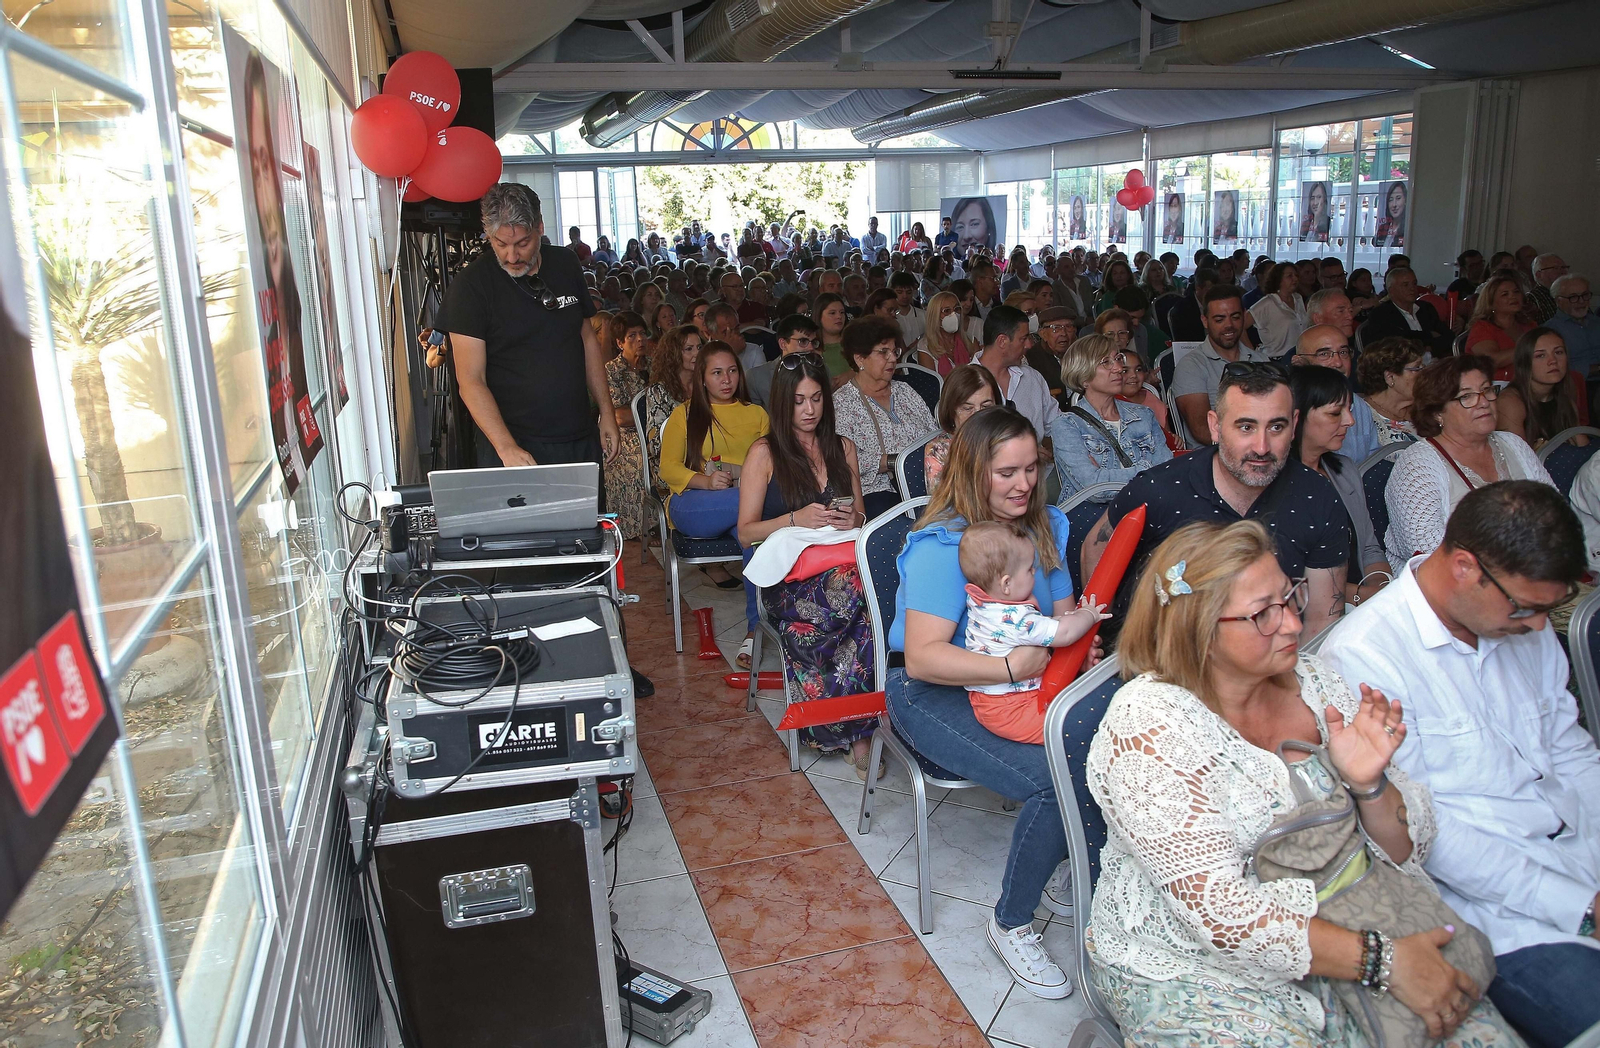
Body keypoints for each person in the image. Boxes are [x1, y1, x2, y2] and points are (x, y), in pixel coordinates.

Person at [1090, 518, 1522, 1047]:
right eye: (1262, 614)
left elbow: (1406, 848)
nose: (1293, 624)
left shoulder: (1316, 683)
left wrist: (1369, 787)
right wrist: (1385, 961)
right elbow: (1222, 917)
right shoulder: (1149, 726)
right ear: (1197, 630)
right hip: (1196, 966)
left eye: (1288, 597)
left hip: (1351, 918)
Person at [1322, 481, 1600, 1048]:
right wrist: (1582, 908)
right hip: (1500, 912)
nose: (1540, 627)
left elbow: (1570, 750)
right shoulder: (1365, 656)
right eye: (1524, 607)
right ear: (1466, 567)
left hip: (1582, 855)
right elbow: (1432, 835)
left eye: (1547, 609)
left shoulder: (1522, 622)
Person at [888, 407, 1086, 998]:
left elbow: (1058, 615)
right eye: (1006, 472)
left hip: (1021, 680)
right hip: (932, 692)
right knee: (1055, 777)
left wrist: (1076, 645)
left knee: (1103, 740)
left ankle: (1056, 857)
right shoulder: (942, 546)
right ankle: (1013, 923)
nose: (1023, 484)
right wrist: (1008, 666)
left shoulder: (1045, 524)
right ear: (974, 472)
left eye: (1031, 468)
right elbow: (924, 658)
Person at [1082, 362, 1351, 640]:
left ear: (1294, 425)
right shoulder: (1159, 489)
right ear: (1215, 426)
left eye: (1276, 427)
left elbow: (1322, 619)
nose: (1261, 447)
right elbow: (1095, 550)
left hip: (1270, 663)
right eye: (1246, 427)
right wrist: (1105, 644)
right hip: (1165, 663)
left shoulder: (1317, 496)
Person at [736, 353, 878, 773]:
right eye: (799, 401)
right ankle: (857, 732)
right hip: (790, 581)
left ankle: (861, 732)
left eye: (817, 399)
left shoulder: (842, 447)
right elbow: (745, 533)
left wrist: (852, 518)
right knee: (862, 595)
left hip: (841, 568)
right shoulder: (764, 453)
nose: (810, 410)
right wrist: (794, 519)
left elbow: (863, 518)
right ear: (783, 403)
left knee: (865, 600)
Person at [439, 184, 621, 477]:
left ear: (539, 227)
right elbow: (471, 380)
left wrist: (606, 411)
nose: (511, 256)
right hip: (513, 443)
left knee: (584, 523)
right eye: (500, 244)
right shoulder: (470, 286)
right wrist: (505, 446)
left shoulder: (565, 263)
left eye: (522, 243)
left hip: (577, 436)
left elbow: (587, 339)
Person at [1382, 355, 1553, 573]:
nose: (1483, 402)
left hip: (1535, 571)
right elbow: (1427, 554)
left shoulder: (1513, 444)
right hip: (1455, 589)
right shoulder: (1417, 464)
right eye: (1466, 396)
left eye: (1487, 390)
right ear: (1437, 412)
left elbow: (1555, 509)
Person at [958, 521, 1108, 744]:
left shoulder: (984, 603)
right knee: (1069, 730)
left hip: (995, 700)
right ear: (1006, 584)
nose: (1035, 573)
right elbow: (1064, 633)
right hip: (1011, 708)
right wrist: (1088, 614)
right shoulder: (1015, 619)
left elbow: (1045, 627)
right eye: (1029, 569)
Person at [659, 342, 770, 618]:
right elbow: (668, 468)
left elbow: (771, 466)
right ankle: (794, 515)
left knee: (755, 542)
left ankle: (754, 631)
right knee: (766, 503)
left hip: (743, 504)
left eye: (732, 371)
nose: (726, 379)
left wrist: (739, 476)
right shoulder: (684, 414)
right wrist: (706, 482)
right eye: (717, 373)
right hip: (695, 503)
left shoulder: (756, 414)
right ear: (703, 379)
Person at [1293, 365, 1392, 606]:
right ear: (1298, 416)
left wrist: (1382, 587)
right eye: (1335, 413)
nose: (1350, 421)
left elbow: (1369, 547)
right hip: (1307, 609)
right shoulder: (1273, 483)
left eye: (1349, 410)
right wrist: (1359, 595)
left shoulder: (1345, 470)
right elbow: (1288, 575)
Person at [832, 316, 938, 519]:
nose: (892, 358)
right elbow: (841, 459)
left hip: (926, 482)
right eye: (883, 352)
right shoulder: (842, 402)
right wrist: (893, 461)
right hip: (878, 492)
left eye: (894, 351)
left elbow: (934, 434)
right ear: (859, 359)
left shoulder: (905, 390)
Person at [1050, 333, 1172, 503]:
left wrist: (1106, 476)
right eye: (1106, 362)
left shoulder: (1143, 415)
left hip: (1146, 511)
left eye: (1118, 359)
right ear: (1084, 377)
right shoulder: (1067, 425)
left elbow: (1167, 473)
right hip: (1096, 522)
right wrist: (1147, 470)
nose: (1118, 368)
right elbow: (1093, 490)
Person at [1171, 284, 1274, 447]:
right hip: (1211, 457)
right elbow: (1202, 430)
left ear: (1244, 316)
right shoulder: (1191, 366)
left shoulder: (1261, 360)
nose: (1229, 325)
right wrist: (1249, 444)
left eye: (1235, 317)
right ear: (1205, 321)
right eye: (1219, 319)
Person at [1290, 325, 1381, 465]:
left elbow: (1373, 463)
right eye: (1324, 354)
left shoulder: (1360, 406)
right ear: (1298, 362)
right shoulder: (1285, 407)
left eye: (1343, 352)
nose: (1338, 363)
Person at [976, 305, 1061, 442]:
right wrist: (1026, 451)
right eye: (1023, 339)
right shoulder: (965, 383)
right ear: (1002, 341)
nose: (1029, 345)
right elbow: (965, 442)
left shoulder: (1032, 377)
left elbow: (1057, 424)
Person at [1496, 326, 1588, 448]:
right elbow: (1518, 460)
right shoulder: (1509, 402)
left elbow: (1581, 442)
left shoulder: (1567, 392)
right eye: (1540, 355)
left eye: (1558, 352)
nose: (1553, 361)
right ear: (1524, 363)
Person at [603, 311, 652, 540]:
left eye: (642, 333)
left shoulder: (654, 366)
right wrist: (654, 411)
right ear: (619, 342)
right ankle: (639, 528)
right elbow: (619, 416)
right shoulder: (611, 371)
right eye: (632, 335)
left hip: (653, 431)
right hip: (622, 436)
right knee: (642, 459)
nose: (640, 339)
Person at [923, 364, 1003, 494]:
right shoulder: (939, 451)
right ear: (951, 410)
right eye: (967, 408)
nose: (977, 415)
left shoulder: (1006, 440)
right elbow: (943, 509)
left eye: (986, 406)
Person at [642, 324, 702, 481]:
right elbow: (655, 446)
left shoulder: (707, 385)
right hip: (673, 467)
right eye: (689, 349)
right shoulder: (659, 391)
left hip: (706, 459)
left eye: (699, 347)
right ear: (674, 354)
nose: (697, 353)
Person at [1358, 265, 1454, 359]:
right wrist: (1429, 335)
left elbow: (1448, 337)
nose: (1412, 288)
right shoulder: (1381, 313)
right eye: (1405, 285)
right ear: (1391, 290)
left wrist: (1430, 348)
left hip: (1433, 363)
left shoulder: (1426, 308)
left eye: (1414, 283)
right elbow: (1393, 344)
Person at [1356, 336, 1428, 447]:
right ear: (1390, 377)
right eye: (1417, 368)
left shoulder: (1427, 408)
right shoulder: (1360, 418)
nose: (1424, 374)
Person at [746, 313, 820, 409]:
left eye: (813, 342)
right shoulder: (757, 377)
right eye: (803, 341)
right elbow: (755, 420)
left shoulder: (821, 369)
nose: (810, 347)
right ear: (783, 344)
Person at [1465, 274, 1530, 381]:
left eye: (1516, 292)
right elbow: (1491, 361)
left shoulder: (1528, 324)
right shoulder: (1482, 328)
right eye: (1505, 294)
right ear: (1491, 302)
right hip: (1494, 386)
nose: (1513, 296)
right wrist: (1529, 348)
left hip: (1526, 383)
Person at [1250, 261, 1310, 359]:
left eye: (1296, 275)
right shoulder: (1268, 302)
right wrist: (1251, 350)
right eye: (1289, 276)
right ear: (1278, 279)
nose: (1295, 279)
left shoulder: (1298, 299)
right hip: (1275, 359)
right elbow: (1241, 325)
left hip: (1298, 357)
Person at [1547, 274, 1600, 381]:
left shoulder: (1597, 322)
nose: (1581, 301)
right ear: (1558, 301)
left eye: (1585, 295)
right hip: (1577, 386)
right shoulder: (1550, 331)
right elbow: (1554, 368)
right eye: (1573, 297)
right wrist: (1596, 369)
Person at [911, 290, 975, 377]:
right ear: (935, 315)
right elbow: (931, 384)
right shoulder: (926, 346)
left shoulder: (969, 340)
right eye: (947, 311)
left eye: (956, 309)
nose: (954, 314)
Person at [1026, 307, 1076, 406]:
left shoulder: (1082, 354)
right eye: (1056, 328)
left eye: (1068, 327)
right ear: (1042, 334)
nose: (1063, 333)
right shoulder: (1030, 359)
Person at [813, 291, 850, 380]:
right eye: (832, 313)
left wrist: (853, 374)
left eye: (842, 312)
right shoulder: (811, 348)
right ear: (819, 316)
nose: (839, 316)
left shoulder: (855, 343)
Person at [1527, 253, 1568, 325]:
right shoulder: (1533, 298)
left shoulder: (1573, 293)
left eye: (1564, 267)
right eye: (1555, 268)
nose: (1562, 271)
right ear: (1539, 275)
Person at [1375, 180, 1407, 247]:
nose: (1394, 205)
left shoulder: (1407, 228)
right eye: (1391, 200)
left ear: (1405, 201)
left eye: (1398, 198)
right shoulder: (1382, 228)